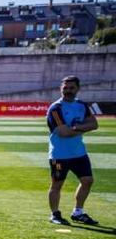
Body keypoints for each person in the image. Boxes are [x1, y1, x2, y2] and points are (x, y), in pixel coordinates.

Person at [47, 75, 100, 225]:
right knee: (57, 185)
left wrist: (75, 128)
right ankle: (55, 214)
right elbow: (64, 133)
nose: (68, 91)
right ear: (60, 89)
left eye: (71, 88)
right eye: (65, 88)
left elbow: (95, 124)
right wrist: (83, 128)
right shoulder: (56, 109)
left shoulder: (82, 105)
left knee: (87, 181)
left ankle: (78, 212)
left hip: (79, 153)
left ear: (78, 89)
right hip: (59, 155)